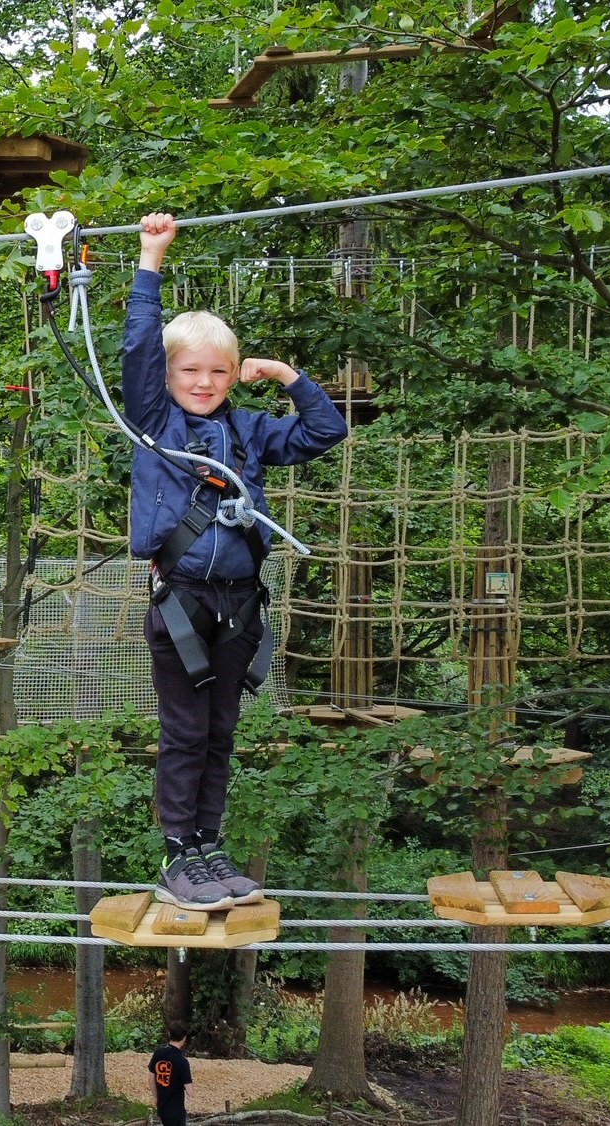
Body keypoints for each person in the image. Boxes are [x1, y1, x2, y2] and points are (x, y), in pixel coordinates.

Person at [127, 212, 348, 909]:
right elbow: (137, 348)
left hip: (241, 604)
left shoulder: (248, 431)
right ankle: (177, 856)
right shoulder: (158, 425)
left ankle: (208, 847)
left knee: (222, 732)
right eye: (190, 370)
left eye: (219, 371)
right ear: (168, 376)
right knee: (186, 731)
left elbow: (325, 430)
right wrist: (150, 259)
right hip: (184, 603)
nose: (204, 381)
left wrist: (285, 375)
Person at [148, 1021, 193, 1126]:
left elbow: (151, 1077)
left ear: (169, 1034)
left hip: (162, 1106)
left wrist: (156, 1096)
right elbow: (190, 1092)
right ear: (184, 1038)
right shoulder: (182, 1061)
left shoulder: (158, 1052)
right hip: (176, 1110)